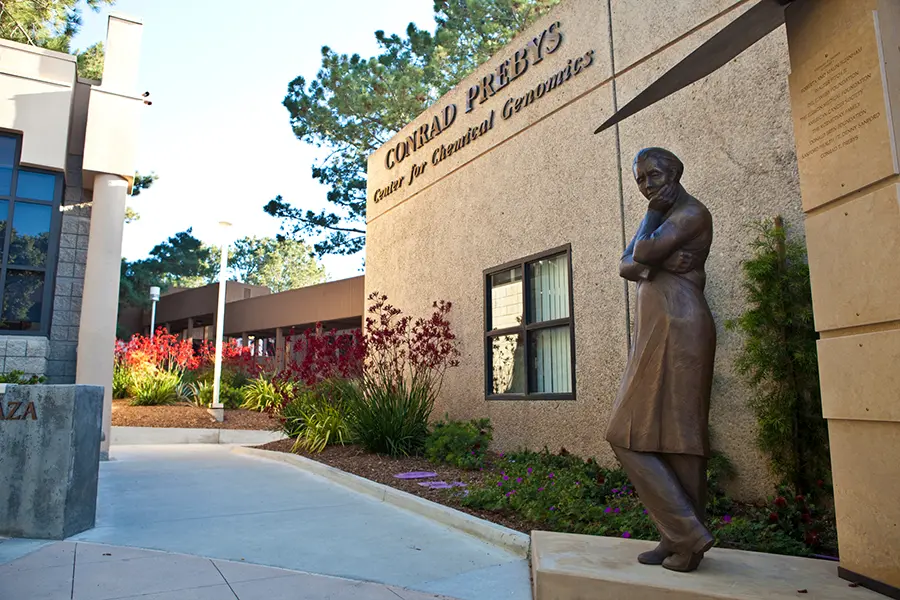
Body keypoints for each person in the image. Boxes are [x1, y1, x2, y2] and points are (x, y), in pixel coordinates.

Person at [606, 147, 716, 572]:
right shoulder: (661, 214)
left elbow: (642, 256)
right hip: (656, 331)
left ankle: (684, 543)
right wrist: (651, 243)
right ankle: (679, 535)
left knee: (682, 437)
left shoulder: (691, 213)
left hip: (684, 327)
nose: (647, 186)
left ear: (674, 172)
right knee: (631, 432)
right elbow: (625, 264)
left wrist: (649, 254)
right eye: (640, 180)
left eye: (653, 175)